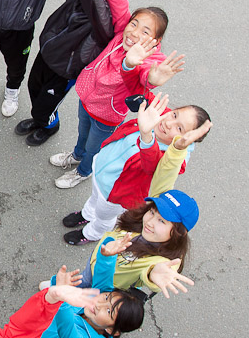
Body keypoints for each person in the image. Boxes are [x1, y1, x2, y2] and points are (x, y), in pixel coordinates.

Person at [50, 0, 185, 189]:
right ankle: (76, 155)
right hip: (87, 98)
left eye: (145, 32)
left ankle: (83, 169)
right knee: (82, 135)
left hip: (107, 116)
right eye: (135, 24)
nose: (134, 32)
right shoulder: (123, 29)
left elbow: (147, 76)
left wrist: (152, 76)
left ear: (155, 41)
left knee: (94, 146)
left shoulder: (147, 58)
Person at [60, 93, 210, 246]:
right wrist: (137, 72)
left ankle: (92, 233)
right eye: (174, 114)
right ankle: (87, 214)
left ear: (187, 139)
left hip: (116, 195)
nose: (169, 123)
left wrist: (146, 137)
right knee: (94, 199)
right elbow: (137, 87)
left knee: (104, 216)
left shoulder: (174, 160)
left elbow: (151, 165)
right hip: (102, 171)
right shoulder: (160, 114)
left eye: (179, 128)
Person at [15, 0, 114, 145]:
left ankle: (50, 125)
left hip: (66, 71)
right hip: (47, 55)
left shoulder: (104, 21)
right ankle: (39, 119)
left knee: (47, 104)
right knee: (33, 87)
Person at [33, 251, 144, 338]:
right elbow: (104, 276)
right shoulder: (96, 300)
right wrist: (107, 256)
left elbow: (67, 328)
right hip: (38, 324)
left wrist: (61, 293)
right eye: (107, 297)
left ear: (111, 330)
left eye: (109, 311)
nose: (100, 304)